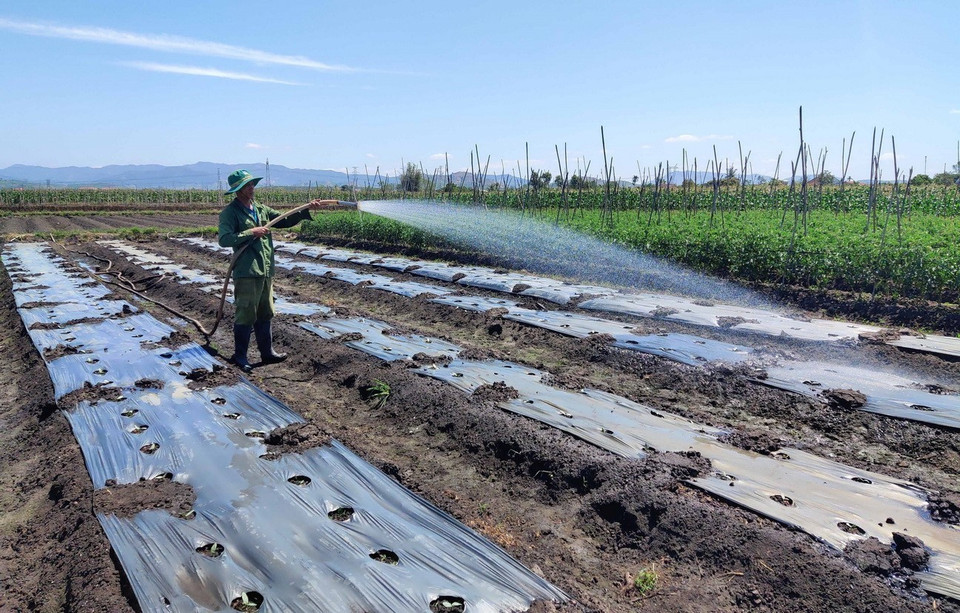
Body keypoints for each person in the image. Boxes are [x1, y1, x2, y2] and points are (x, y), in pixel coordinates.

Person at [217, 169, 325, 372]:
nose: (252, 187)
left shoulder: (260, 209)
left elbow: (284, 220)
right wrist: (251, 232)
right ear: (238, 190)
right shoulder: (230, 213)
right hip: (247, 270)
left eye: (252, 184)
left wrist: (306, 210)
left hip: (265, 268)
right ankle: (240, 356)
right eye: (247, 185)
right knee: (246, 313)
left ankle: (267, 353)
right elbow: (224, 239)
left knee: (265, 311)